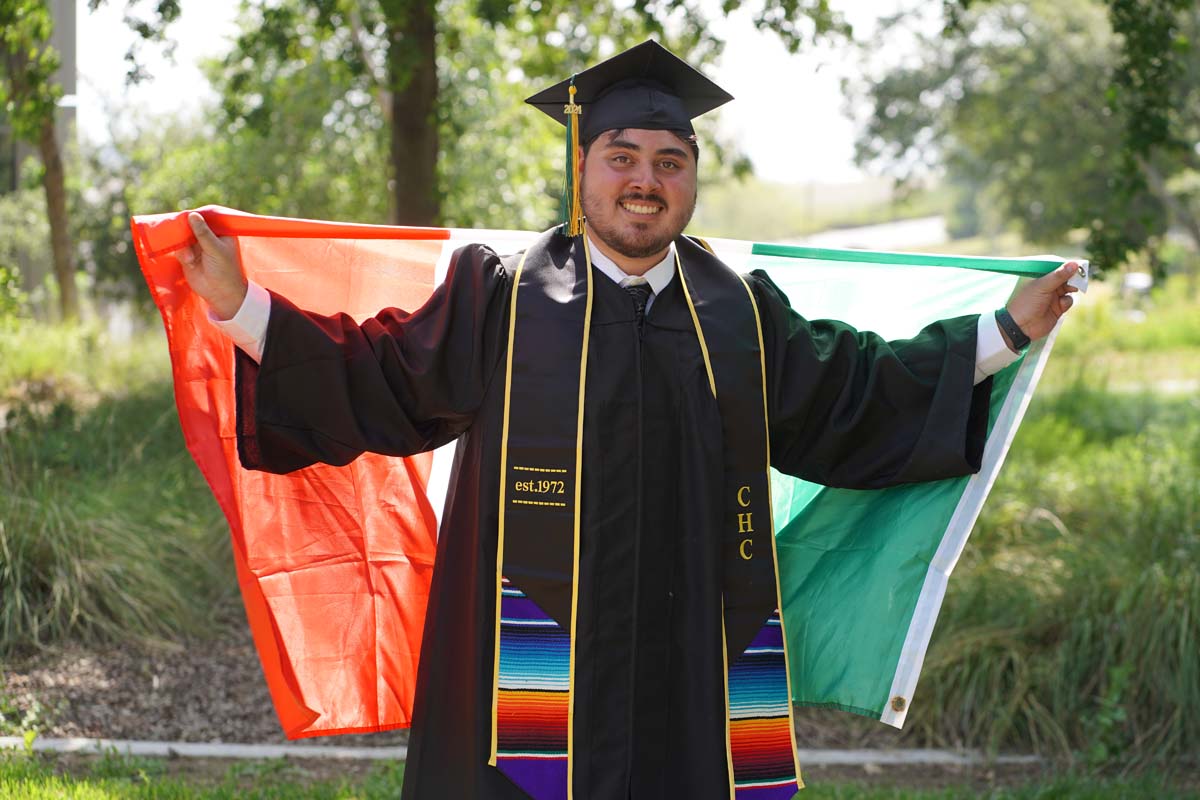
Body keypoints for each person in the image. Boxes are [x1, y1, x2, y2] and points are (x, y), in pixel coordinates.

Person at [177, 40, 1077, 800]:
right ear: (583, 169)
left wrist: (1003, 332)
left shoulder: (738, 312)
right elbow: (378, 377)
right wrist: (243, 309)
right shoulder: (504, 294)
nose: (644, 181)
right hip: (528, 657)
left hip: (693, 648)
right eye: (623, 157)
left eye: (669, 162)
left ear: (689, 181)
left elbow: (852, 390)